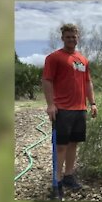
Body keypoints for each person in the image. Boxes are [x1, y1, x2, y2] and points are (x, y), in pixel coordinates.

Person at [42, 23, 97, 193]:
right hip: (63, 109)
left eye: (74, 36)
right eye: (68, 37)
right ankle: (56, 181)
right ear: (62, 38)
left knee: (74, 144)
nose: (71, 39)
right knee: (61, 146)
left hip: (80, 109)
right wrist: (51, 104)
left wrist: (93, 103)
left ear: (77, 38)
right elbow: (47, 80)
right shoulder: (54, 58)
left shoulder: (83, 60)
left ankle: (68, 176)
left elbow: (88, 82)